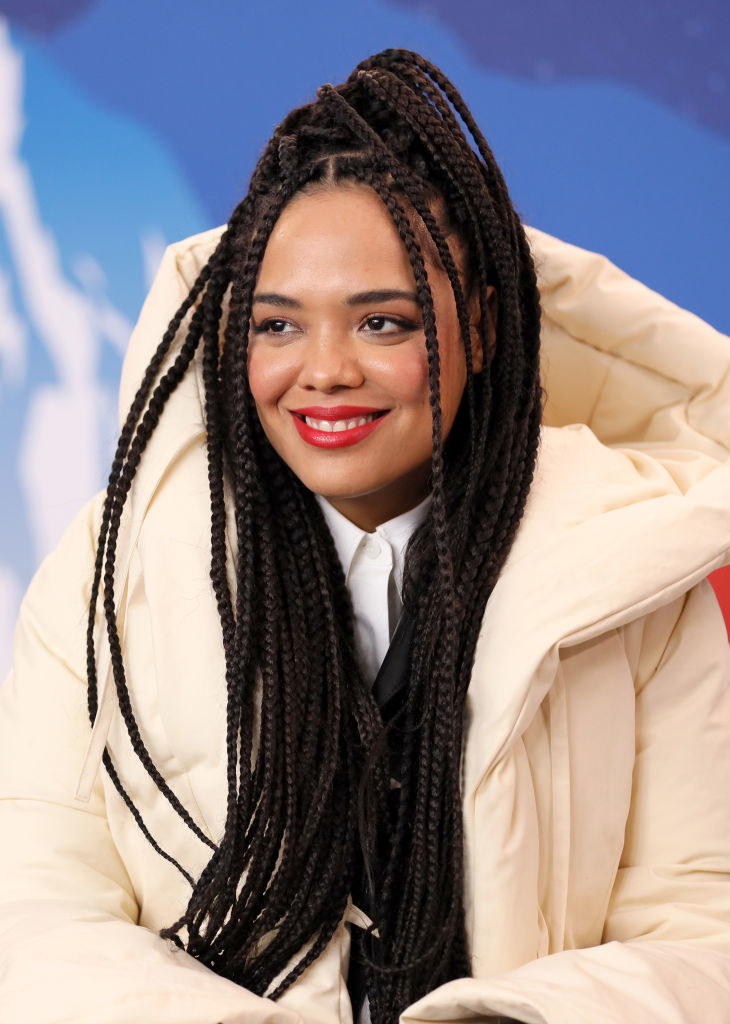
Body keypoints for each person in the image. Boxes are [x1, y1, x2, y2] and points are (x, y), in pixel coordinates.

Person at [0, 48, 729, 1024]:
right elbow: (34, 913)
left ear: (480, 327)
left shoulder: (639, 570)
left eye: (383, 322)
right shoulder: (108, 574)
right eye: (277, 326)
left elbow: (702, 925)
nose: (325, 370)